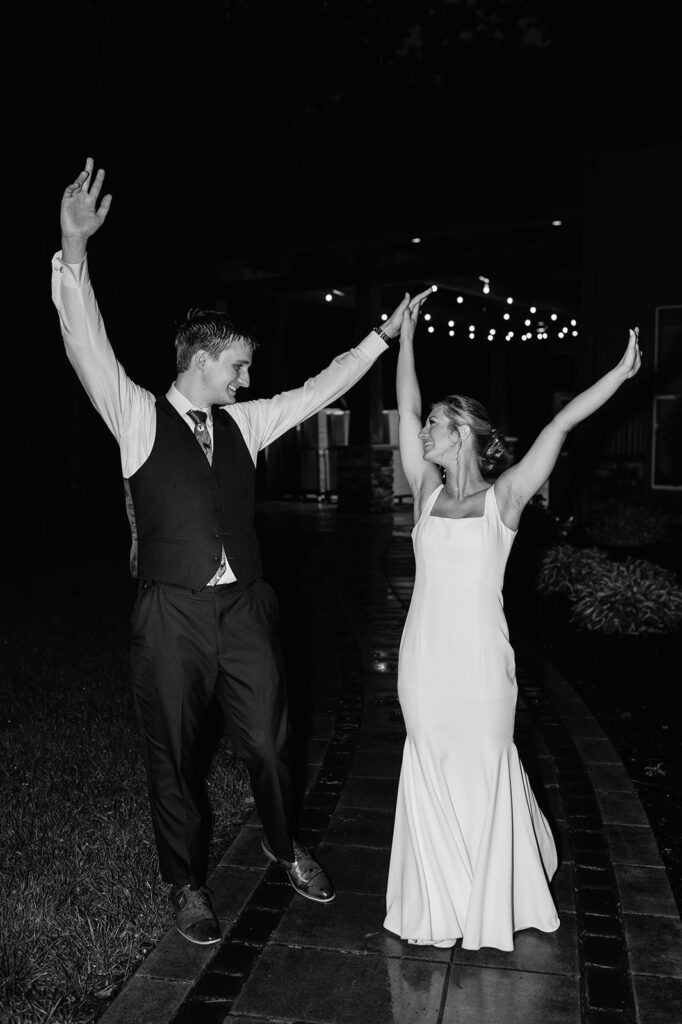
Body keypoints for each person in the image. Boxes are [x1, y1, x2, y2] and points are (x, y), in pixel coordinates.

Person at [53, 157, 431, 946]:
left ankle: (285, 844)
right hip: (171, 612)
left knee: (268, 738)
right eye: (239, 366)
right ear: (200, 361)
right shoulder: (137, 416)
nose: (249, 377)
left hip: (245, 607)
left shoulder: (246, 424)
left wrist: (376, 338)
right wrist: (74, 250)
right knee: (176, 752)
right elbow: (86, 342)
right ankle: (185, 883)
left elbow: (317, 390)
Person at [384, 298, 641, 950]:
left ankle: (495, 895)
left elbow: (558, 427)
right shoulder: (425, 490)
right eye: (426, 427)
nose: (423, 434)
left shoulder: (505, 497)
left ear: (464, 433)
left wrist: (615, 377)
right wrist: (406, 337)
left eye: (437, 427)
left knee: (488, 762)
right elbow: (406, 406)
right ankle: (437, 904)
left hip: (481, 665)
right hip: (423, 662)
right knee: (430, 761)